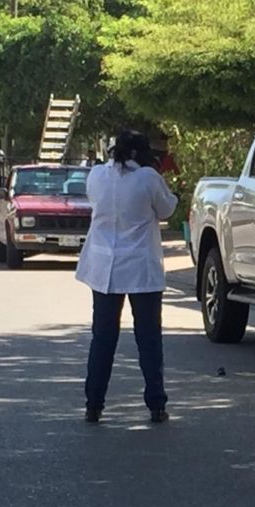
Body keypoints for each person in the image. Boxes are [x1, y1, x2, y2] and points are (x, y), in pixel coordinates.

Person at [75, 130, 178, 424]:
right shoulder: (148, 178)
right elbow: (167, 209)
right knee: (148, 339)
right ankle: (156, 405)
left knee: (103, 338)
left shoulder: (96, 175)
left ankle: (93, 404)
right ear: (141, 153)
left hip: (104, 268)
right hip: (141, 268)